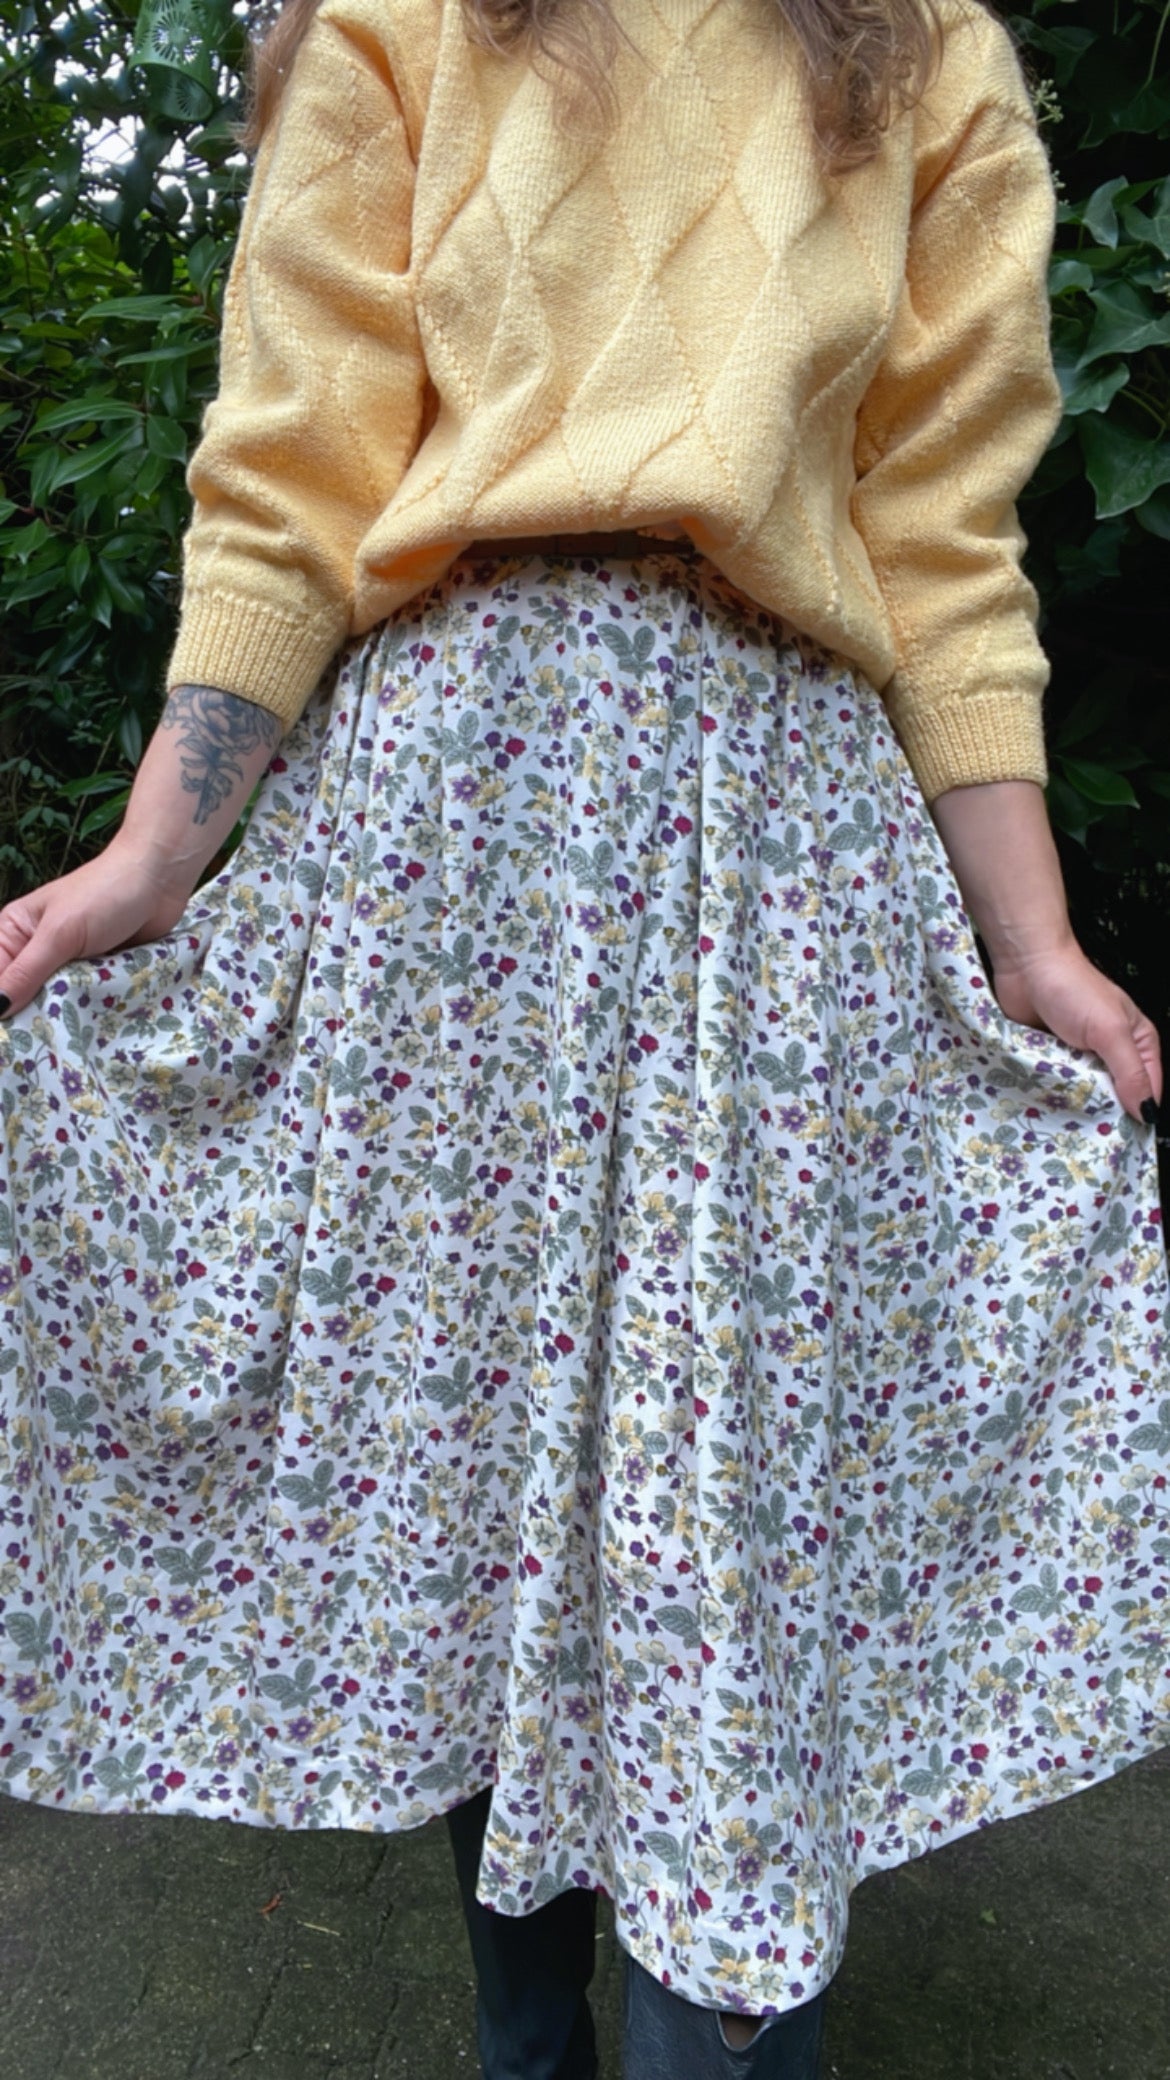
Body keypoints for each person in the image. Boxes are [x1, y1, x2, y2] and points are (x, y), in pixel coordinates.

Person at [0, 0, 1167, 2070]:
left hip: (775, 845)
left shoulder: (924, 53)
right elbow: (295, 479)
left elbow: (939, 542)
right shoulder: (399, 17)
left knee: (730, 1503)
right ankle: (523, 2036)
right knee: (472, 1479)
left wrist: (1035, 944)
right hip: (447, 839)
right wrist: (154, 858)